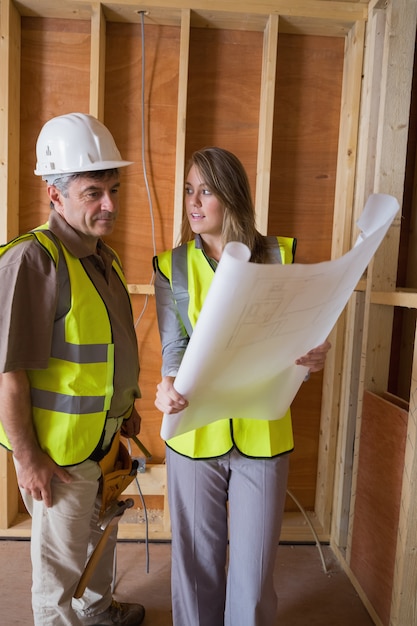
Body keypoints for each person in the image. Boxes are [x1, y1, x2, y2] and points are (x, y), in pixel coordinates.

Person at [153, 146, 331, 626]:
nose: (193, 202)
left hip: (263, 432)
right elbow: (174, 348)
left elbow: (302, 336)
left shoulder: (280, 255)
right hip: (194, 433)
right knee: (195, 570)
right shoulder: (171, 265)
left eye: (205, 191)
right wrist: (166, 383)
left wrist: (314, 356)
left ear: (231, 195)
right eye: (189, 190)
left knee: (252, 578)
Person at [0, 113, 145, 626]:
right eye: (92, 192)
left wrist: (126, 408)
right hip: (58, 456)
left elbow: (104, 351)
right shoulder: (33, 262)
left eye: (113, 188)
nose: (110, 204)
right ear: (55, 194)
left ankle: (99, 612)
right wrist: (27, 458)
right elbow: (8, 374)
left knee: (99, 540)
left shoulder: (102, 257)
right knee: (58, 570)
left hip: (102, 442)